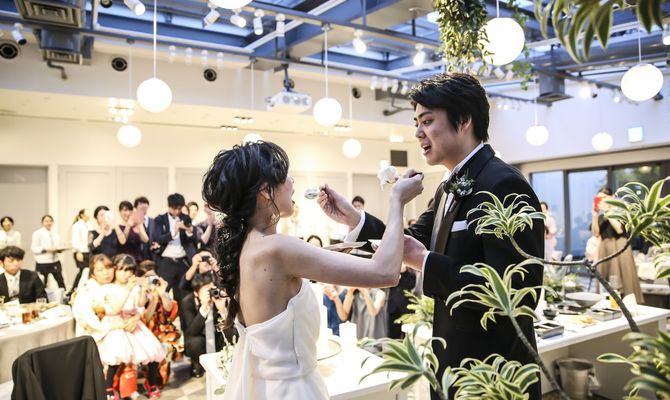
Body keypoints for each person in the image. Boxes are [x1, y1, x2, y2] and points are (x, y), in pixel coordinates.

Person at [318, 73, 544, 400]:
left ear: (464, 120)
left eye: (427, 121)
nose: (418, 133)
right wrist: (354, 219)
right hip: (451, 361)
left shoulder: (503, 184)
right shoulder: (447, 187)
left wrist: (424, 261)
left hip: (494, 370)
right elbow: (407, 239)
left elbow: (520, 292)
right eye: (416, 123)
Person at [201, 141, 423, 399]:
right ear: (264, 191)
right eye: (285, 175)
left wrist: (348, 225)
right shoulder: (278, 248)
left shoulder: (247, 246)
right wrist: (397, 200)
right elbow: (386, 272)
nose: (292, 181)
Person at [591, 187, 643, 303]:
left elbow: (619, 229)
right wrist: (594, 214)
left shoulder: (621, 212)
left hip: (620, 247)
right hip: (605, 248)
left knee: (624, 278)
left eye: (604, 197)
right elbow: (595, 233)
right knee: (606, 280)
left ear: (612, 197)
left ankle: (628, 305)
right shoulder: (601, 217)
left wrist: (608, 210)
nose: (602, 201)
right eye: (599, 198)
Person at [180, 272, 235, 378]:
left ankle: (226, 359)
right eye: (206, 291)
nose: (210, 294)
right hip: (199, 339)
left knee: (231, 332)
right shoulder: (188, 302)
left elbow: (231, 327)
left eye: (211, 289)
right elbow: (192, 331)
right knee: (195, 341)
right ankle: (197, 363)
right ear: (196, 293)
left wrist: (222, 310)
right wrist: (204, 308)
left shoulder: (219, 298)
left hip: (216, 336)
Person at [137, 260, 182, 387]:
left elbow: (169, 310)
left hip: (163, 330)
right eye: (146, 277)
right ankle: (151, 377)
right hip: (144, 331)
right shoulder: (139, 293)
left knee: (168, 343)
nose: (150, 280)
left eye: (153, 276)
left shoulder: (161, 290)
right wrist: (152, 298)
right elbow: (145, 319)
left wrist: (161, 294)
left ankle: (157, 377)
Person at [151, 193, 198, 303]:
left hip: (182, 261)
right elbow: (157, 238)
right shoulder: (160, 219)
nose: (177, 211)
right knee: (162, 292)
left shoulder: (185, 218)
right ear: (169, 206)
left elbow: (193, 240)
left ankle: (183, 314)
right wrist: (174, 232)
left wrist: (189, 231)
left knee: (183, 294)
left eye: (179, 208)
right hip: (166, 261)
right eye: (174, 208)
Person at [31, 214, 67, 290]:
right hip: (42, 261)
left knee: (60, 280)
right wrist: (47, 249)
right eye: (46, 221)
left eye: (50, 221)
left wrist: (59, 249)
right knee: (42, 283)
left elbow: (57, 245)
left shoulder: (55, 233)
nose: (49, 223)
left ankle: (64, 295)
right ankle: (42, 296)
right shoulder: (38, 233)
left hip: (55, 260)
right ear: (42, 222)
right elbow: (34, 248)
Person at [71, 208, 92, 290]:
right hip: (80, 251)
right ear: (82, 215)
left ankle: (84, 288)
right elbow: (75, 239)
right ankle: (74, 289)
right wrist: (78, 252)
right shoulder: (77, 225)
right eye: (87, 213)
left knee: (88, 271)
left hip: (88, 251)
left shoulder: (90, 224)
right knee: (83, 271)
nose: (89, 215)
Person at [134, 197, 155, 261]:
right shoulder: (133, 222)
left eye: (145, 203)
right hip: (138, 255)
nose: (143, 205)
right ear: (135, 207)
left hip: (152, 255)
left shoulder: (154, 221)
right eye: (140, 204)